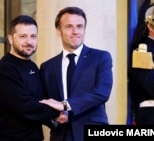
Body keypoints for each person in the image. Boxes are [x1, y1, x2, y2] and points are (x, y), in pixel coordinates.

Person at [39, 6, 113, 141]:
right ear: (58, 31)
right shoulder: (47, 67)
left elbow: (102, 93)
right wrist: (54, 118)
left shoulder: (101, 57)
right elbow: (45, 102)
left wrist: (65, 105)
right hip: (61, 134)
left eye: (79, 26)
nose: (75, 32)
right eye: (69, 27)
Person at [0, 15, 61, 141]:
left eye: (33, 36)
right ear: (10, 39)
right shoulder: (4, 69)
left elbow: (41, 100)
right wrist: (57, 112)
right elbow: (24, 105)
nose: (29, 41)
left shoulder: (32, 66)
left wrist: (56, 118)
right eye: (23, 36)